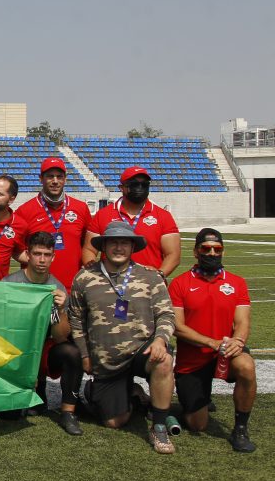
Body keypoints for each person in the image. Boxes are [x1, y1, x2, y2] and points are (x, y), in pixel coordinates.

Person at [68, 221, 177, 453]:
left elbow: (166, 314)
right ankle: (130, 395)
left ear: (132, 247)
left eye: (124, 243)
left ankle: (158, 427)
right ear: (104, 246)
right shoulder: (84, 277)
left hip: (141, 350)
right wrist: (86, 355)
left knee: (164, 360)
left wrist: (160, 341)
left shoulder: (150, 276)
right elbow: (76, 320)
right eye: (113, 242)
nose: (119, 247)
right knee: (114, 423)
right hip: (107, 362)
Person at [171, 228, 256, 452]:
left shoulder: (237, 283)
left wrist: (238, 341)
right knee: (197, 425)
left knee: (246, 366)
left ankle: (240, 429)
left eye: (217, 249)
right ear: (196, 252)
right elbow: (177, 327)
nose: (211, 253)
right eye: (205, 249)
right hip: (193, 360)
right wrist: (211, 343)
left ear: (222, 252)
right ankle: (195, 401)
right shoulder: (180, 283)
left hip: (226, 352)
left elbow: (243, 321)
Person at [2, 231, 82, 435]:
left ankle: (68, 411)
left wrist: (61, 310)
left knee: (72, 352)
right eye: (37, 253)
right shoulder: (9, 284)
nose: (42, 259)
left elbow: (60, 336)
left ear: (53, 257)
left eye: (47, 254)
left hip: (44, 349)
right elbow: (0, 329)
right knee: (8, 416)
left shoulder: (56, 287)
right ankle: (28, 390)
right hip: (15, 351)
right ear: (27, 255)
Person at [82, 167, 181, 278]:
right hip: (111, 284)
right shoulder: (103, 215)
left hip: (148, 285)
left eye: (144, 184)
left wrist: (159, 275)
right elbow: (89, 249)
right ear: (122, 187)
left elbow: (173, 254)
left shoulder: (163, 216)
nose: (140, 188)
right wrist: (95, 271)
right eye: (134, 184)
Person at [14, 158, 92, 291]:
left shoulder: (81, 208)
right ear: (41, 178)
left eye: (59, 177)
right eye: (50, 176)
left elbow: (88, 245)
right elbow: (15, 249)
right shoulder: (24, 211)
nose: (55, 181)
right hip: (36, 288)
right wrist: (37, 262)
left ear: (65, 179)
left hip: (73, 287)